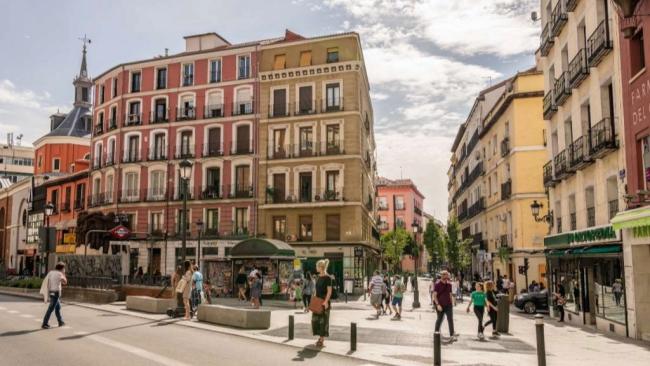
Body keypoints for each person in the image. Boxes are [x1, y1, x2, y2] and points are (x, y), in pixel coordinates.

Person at [312, 259, 333, 348]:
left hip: (324, 302)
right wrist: (313, 299)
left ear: (321, 267)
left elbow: (329, 291)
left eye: (317, 266)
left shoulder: (328, 278)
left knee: (323, 321)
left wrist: (326, 301)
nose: (316, 268)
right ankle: (320, 337)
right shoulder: (318, 277)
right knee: (315, 320)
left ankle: (321, 339)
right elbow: (316, 290)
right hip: (317, 301)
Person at [40, 262, 68, 329]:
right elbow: (65, 282)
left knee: (58, 308)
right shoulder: (60, 274)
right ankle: (45, 323)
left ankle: (60, 322)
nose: (64, 269)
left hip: (51, 292)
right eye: (64, 268)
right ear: (62, 268)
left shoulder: (51, 272)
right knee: (50, 309)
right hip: (56, 293)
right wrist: (64, 274)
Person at [433, 271, 457, 340]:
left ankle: (452, 335)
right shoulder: (437, 284)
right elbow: (434, 296)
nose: (445, 277)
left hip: (448, 305)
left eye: (446, 275)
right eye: (444, 275)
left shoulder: (449, 285)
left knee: (450, 320)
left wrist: (452, 303)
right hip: (440, 305)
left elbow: (450, 294)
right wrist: (437, 305)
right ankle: (436, 334)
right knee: (439, 319)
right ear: (441, 276)